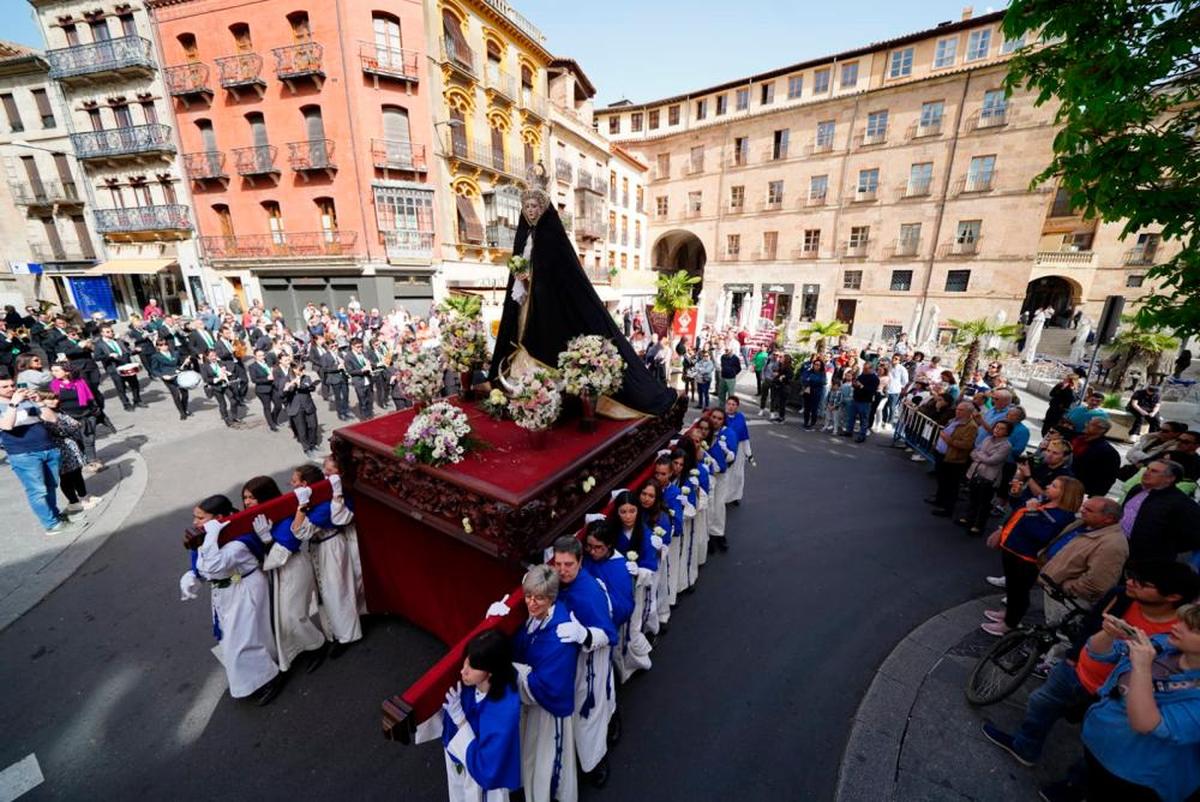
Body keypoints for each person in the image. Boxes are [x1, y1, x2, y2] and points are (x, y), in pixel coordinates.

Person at [488, 168, 676, 416]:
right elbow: (520, 269)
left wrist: (533, 277)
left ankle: (546, 395)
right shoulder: (524, 237)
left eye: (535, 206)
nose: (530, 211)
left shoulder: (553, 237)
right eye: (527, 206)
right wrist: (521, 278)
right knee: (521, 339)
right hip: (526, 303)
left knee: (541, 341)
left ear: (543, 208)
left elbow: (560, 275)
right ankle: (524, 392)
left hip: (548, 307)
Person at [983, 562, 1200, 773]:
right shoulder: (1122, 595)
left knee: (1096, 743)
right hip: (1076, 671)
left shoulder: (1178, 636)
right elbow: (1092, 624)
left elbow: (1153, 721)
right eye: (1132, 575)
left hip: (1113, 694)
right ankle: (1025, 746)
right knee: (1041, 703)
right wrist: (1075, 655)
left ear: (1173, 597)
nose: (1132, 582)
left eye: (1143, 583)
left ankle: (1073, 785)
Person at [1077, 603, 1200, 802]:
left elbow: (1146, 724)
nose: (1177, 627)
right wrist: (1109, 633)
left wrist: (1142, 668)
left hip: (1135, 776)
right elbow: (1098, 652)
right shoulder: (1165, 645)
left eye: (1192, 630)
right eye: (1182, 621)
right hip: (1100, 743)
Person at [179, 495, 281, 704]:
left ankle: (269, 678)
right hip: (230, 588)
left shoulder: (237, 542)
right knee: (235, 639)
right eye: (194, 517)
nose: (195, 523)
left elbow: (214, 566)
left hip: (245, 589)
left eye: (200, 518)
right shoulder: (209, 540)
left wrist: (209, 539)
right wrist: (190, 577)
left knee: (244, 639)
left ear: (219, 519)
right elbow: (202, 568)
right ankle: (251, 678)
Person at [242, 476, 327, 674]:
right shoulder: (256, 518)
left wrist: (266, 539)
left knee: (294, 616)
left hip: (294, 568)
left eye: (252, 497)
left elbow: (282, 552)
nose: (247, 502)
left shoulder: (286, 516)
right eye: (245, 497)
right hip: (278, 573)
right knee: (283, 618)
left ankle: (317, 645)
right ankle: (302, 647)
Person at [509, 565, 579, 802]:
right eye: (528, 596)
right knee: (533, 756)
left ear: (551, 598)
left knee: (550, 761)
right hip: (533, 705)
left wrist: (514, 669)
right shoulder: (534, 618)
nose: (531, 603)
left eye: (538, 598)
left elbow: (549, 685)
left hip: (550, 711)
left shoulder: (559, 635)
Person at [981, 476, 1084, 635]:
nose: (1048, 486)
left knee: (1019, 591)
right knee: (1012, 588)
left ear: (1065, 493)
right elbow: (1019, 510)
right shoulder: (1044, 502)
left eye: (1054, 486)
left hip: (1026, 558)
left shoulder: (1063, 516)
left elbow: (1040, 535)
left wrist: (1031, 513)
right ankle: (1009, 615)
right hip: (1013, 550)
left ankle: (1010, 623)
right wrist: (1016, 495)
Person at [441, 629, 522, 802]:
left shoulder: (503, 711)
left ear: (490, 671)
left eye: (472, 667)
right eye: (465, 663)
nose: (463, 672)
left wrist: (459, 719)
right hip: (461, 758)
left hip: (482, 779)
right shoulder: (473, 684)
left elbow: (486, 769)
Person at [291, 463, 361, 654]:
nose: (291, 483)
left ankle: (347, 635)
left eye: (295, 481)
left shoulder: (322, 504)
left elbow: (300, 531)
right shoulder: (315, 498)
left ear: (305, 483)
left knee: (337, 592)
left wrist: (302, 507)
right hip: (319, 547)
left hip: (331, 546)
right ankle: (334, 632)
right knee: (325, 594)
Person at [0, 379, 77, 534]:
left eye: (12, 385)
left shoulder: (27, 401)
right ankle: (50, 525)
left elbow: (52, 419)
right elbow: (6, 425)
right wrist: (13, 404)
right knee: (37, 491)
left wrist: (40, 402)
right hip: (24, 454)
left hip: (47, 448)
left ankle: (55, 516)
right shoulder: (11, 403)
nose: (11, 389)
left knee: (51, 486)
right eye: (5, 387)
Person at [1039, 496, 1128, 619]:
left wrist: (1065, 587)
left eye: (1089, 510)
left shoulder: (1112, 545)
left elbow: (1097, 584)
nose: (1082, 511)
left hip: (1068, 599)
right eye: (1084, 507)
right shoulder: (1081, 523)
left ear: (1108, 519)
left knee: (1060, 632)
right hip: (1054, 589)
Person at [1121, 459, 1200, 562]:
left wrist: (1161, 550)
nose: (1146, 473)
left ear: (1170, 478)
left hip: (1145, 559)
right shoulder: (1137, 489)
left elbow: (1194, 536)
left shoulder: (1180, 503)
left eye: (1154, 471)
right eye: (1147, 469)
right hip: (1119, 546)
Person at [958, 419, 1013, 536]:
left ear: (1007, 432)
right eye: (997, 427)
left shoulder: (1006, 446)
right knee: (973, 498)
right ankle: (969, 518)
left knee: (984, 502)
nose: (997, 430)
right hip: (975, 472)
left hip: (989, 477)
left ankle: (978, 526)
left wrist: (981, 455)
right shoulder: (987, 439)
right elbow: (973, 453)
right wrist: (983, 455)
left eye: (1001, 428)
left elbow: (992, 460)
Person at [929, 401, 979, 515]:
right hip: (942, 454)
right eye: (957, 409)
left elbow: (967, 445)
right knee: (941, 480)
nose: (957, 411)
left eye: (961, 410)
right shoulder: (954, 420)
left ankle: (947, 508)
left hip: (954, 459)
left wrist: (948, 440)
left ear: (969, 412)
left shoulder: (971, 427)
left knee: (951, 484)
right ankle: (939, 500)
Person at [278, 356, 321, 459]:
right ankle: (306, 448)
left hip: (308, 405)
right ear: (293, 369)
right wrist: (289, 387)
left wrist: (301, 385)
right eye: (300, 369)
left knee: (313, 426)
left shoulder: (305, 377)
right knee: (302, 430)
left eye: (303, 369)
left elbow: (311, 387)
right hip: (296, 407)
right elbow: (281, 395)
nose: (302, 371)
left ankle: (313, 444)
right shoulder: (285, 379)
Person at [94, 324, 142, 411]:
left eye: (111, 331)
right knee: (121, 387)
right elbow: (97, 357)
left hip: (126, 365)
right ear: (102, 333)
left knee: (134, 384)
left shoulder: (118, 340)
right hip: (114, 368)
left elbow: (127, 352)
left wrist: (135, 351)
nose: (111, 333)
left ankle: (137, 400)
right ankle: (126, 404)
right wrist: (109, 355)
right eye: (108, 332)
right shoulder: (99, 344)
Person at [1070, 417, 1121, 498]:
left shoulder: (1108, 452)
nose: (1086, 425)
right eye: (1088, 422)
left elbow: (1107, 479)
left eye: (1091, 424)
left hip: (1082, 491)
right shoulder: (1077, 439)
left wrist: (1093, 496)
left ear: (1101, 430)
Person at [150, 338, 191, 420]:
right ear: (158, 347)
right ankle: (182, 413)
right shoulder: (155, 356)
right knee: (176, 394)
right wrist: (162, 376)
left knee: (185, 394)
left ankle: (184, 408)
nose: (164, 346)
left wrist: (186, 363)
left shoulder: (175, 353)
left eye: (165, 344)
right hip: (168, 378)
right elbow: (154, 370)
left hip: (178, 375)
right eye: (161, 345)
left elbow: (180, 364)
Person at [724, 396, 753, 503]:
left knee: (738, 475)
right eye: (729, 404)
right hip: (726, 449)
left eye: (733, 404)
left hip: (739, 449)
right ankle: (725, 498)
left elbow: (745, 437)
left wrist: (748, 453)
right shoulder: (722, 418)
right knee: (726, 475)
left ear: (737, 407)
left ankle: (735, 496)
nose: (731, 407)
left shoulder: (740, 417)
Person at [247, 349, 283, 432]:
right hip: (262, 390)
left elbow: (276, 366)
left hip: (273, 387)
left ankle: (274, 418)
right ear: (255, 356)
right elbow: (254, 380)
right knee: (267, 407)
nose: (262, 357)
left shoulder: (267, 362)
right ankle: (272, 425)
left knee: (278, 405)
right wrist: (267, 378)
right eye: (259, 356)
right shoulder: (252, 366)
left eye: (263, 355)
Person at [843, 362, 879, 442]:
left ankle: (862, 435)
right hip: (856, 399)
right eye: (863, 368)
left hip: (865, 401)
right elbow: (856, 383)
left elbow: (871, 390)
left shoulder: (874, 378)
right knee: (851, 416)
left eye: (866, 369)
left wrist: (861, 386)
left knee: (864, 419)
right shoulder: (862, 376)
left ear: (871, 369)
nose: (864, 370)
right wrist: (855, 384)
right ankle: (849, 431)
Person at [344, 338, 374, 420]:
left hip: (368, 379)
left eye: (361, 346)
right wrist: (362, 370)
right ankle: (364, 418)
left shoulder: (364, 353)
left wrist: (371, 364)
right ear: (352, 346)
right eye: (358, 347)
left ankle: (370, 416)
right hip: (359, 381)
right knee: (363, 401)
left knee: (370, 400)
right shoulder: (348, 357)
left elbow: (372, 362)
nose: (360, 348)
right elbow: (350, 371)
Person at [770, 354, 792, 423]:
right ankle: (780, 416)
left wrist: (783, 376)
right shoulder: (781, 366)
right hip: (780, 387)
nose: (780, 358)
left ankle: (782, 418)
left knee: (782, 403)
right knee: (780, 403)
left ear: (786, 359)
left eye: (782, 357)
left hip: (785, 388)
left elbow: (790, 375)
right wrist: (777, 375)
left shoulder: (788, 367)